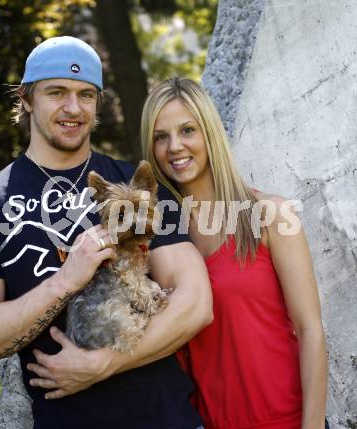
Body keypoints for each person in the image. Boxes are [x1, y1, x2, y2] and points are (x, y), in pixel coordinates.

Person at [0, 37, 213, 429]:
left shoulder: (136, 185)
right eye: (57, 92)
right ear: (25, 98)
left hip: (167, 417)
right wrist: (65, 281)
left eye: (86, 95)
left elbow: (195, 304)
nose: (73, 108)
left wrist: (104, 364)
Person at [140, 77, 328, 429]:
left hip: (288, 421)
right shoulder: (164, 243)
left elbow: (310, 329)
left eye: (187, 130)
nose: (175, 147)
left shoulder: (270, 215)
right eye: (160, 136)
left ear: (209, 132)